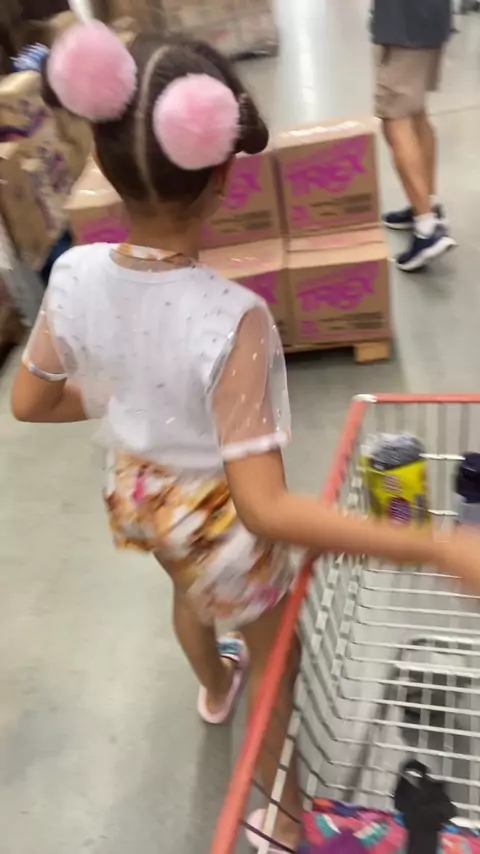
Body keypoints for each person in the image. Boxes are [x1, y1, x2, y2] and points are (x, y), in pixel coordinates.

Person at [10, 22, 480, 852]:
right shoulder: (234, 319)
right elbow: (263, 509)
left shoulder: (75, 273)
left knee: (188, 594)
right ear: (225, 175)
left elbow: (29, 402)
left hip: (139, 491)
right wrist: (435, 547)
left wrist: (127, 395)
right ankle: (281, 818)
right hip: (217, 519)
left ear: (103, 158)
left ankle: (210, 686)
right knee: (275, 673)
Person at [372, 0, 455, 272]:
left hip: (404, 22)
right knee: (416, 111)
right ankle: (425, 205)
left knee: (394, 118)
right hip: (432, 17)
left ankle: (426, 226)